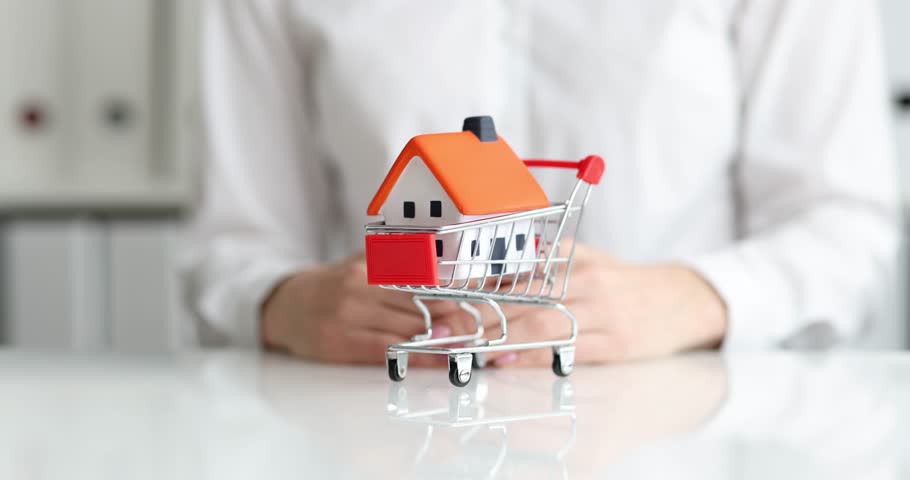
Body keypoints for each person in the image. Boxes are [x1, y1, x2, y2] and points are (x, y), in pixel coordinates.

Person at [181, 0, 899, 366]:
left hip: (691, 432)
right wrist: (286, 303)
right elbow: (235, 243)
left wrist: (696, 299)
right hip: (380, 424)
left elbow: (842, 224)